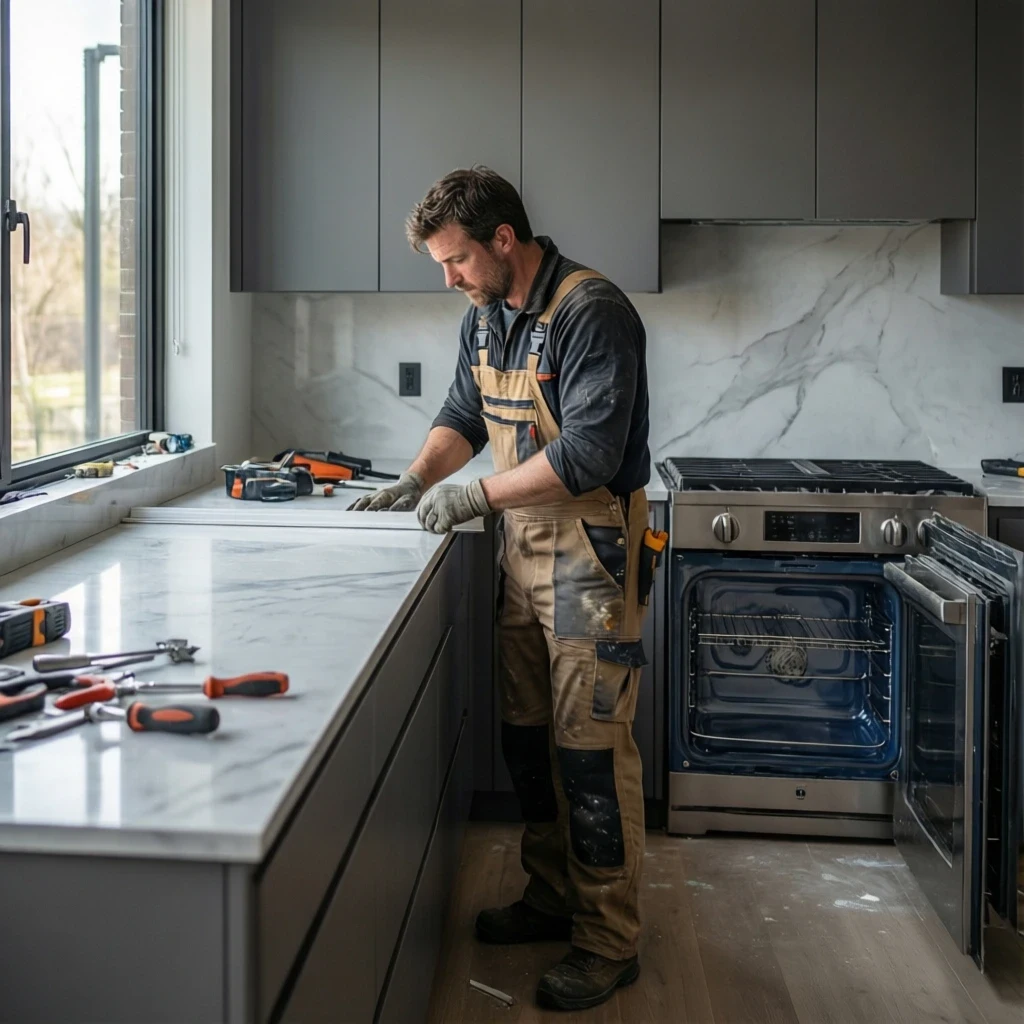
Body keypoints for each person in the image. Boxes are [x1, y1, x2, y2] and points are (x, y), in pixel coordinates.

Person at [350, 166, 652, 1012]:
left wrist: (475, 494)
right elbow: (465, 413)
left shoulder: (592, 313)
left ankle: (608, 939)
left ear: (504, 241)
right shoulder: (487, 316)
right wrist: (418, 478)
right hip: (523, 549)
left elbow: (588, 453)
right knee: (529, 739)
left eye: (456, 262)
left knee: (590, 753)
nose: (449, 280)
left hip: (590, 553)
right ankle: (553, 896)